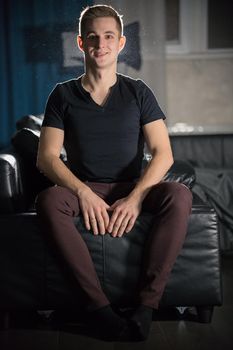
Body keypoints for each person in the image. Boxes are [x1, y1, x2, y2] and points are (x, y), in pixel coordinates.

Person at [36, 4, 192, 342]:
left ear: (121, 43)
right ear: (81, 44)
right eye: (92, 37)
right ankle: (99, 310)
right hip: (85, 189)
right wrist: (82, 192)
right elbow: (47, 158)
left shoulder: (138, 91)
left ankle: (146, 307)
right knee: (49, 200)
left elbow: (163, 154)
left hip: (131, 187)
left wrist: (136, 198)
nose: (100, 44)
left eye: (109, 36)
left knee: (179, 194)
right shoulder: (62, 94)